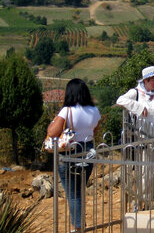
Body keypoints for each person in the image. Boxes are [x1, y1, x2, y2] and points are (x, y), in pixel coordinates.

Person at [116, 66, 154, 210]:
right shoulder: (135, 93)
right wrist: (139, 108)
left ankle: (150, 201)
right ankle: (140, 202)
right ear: (146, 80)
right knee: (145, 173)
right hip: (144, 139)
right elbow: (120, 101)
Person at [47, 78, 101, 232]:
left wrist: (52, 123)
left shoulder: (67, 110)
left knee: (72, 194)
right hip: (88, 151)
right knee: (80, 191)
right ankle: (78, 225)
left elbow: (52, 132)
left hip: (71, 153)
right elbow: (93, 131)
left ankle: (77, 227)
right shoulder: (95, 111)